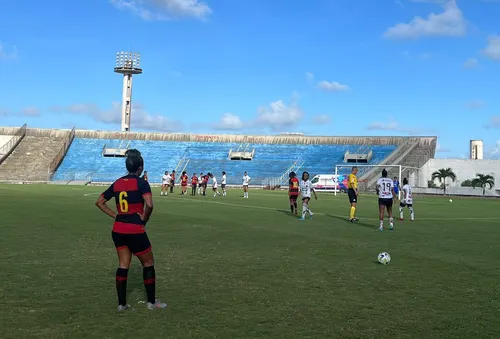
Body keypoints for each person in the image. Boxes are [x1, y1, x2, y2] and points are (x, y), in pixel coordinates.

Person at [94, 149, 167, 312]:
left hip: (118, 229)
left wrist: (116, 215)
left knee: (123, 265)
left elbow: (99, 202)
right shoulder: (141, 183)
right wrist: (144, 219)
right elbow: (149, 204)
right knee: (148, 263)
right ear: (140, 167)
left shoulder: (118, 182)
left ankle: (121, 304)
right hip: (134, 229)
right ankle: (151, 302)